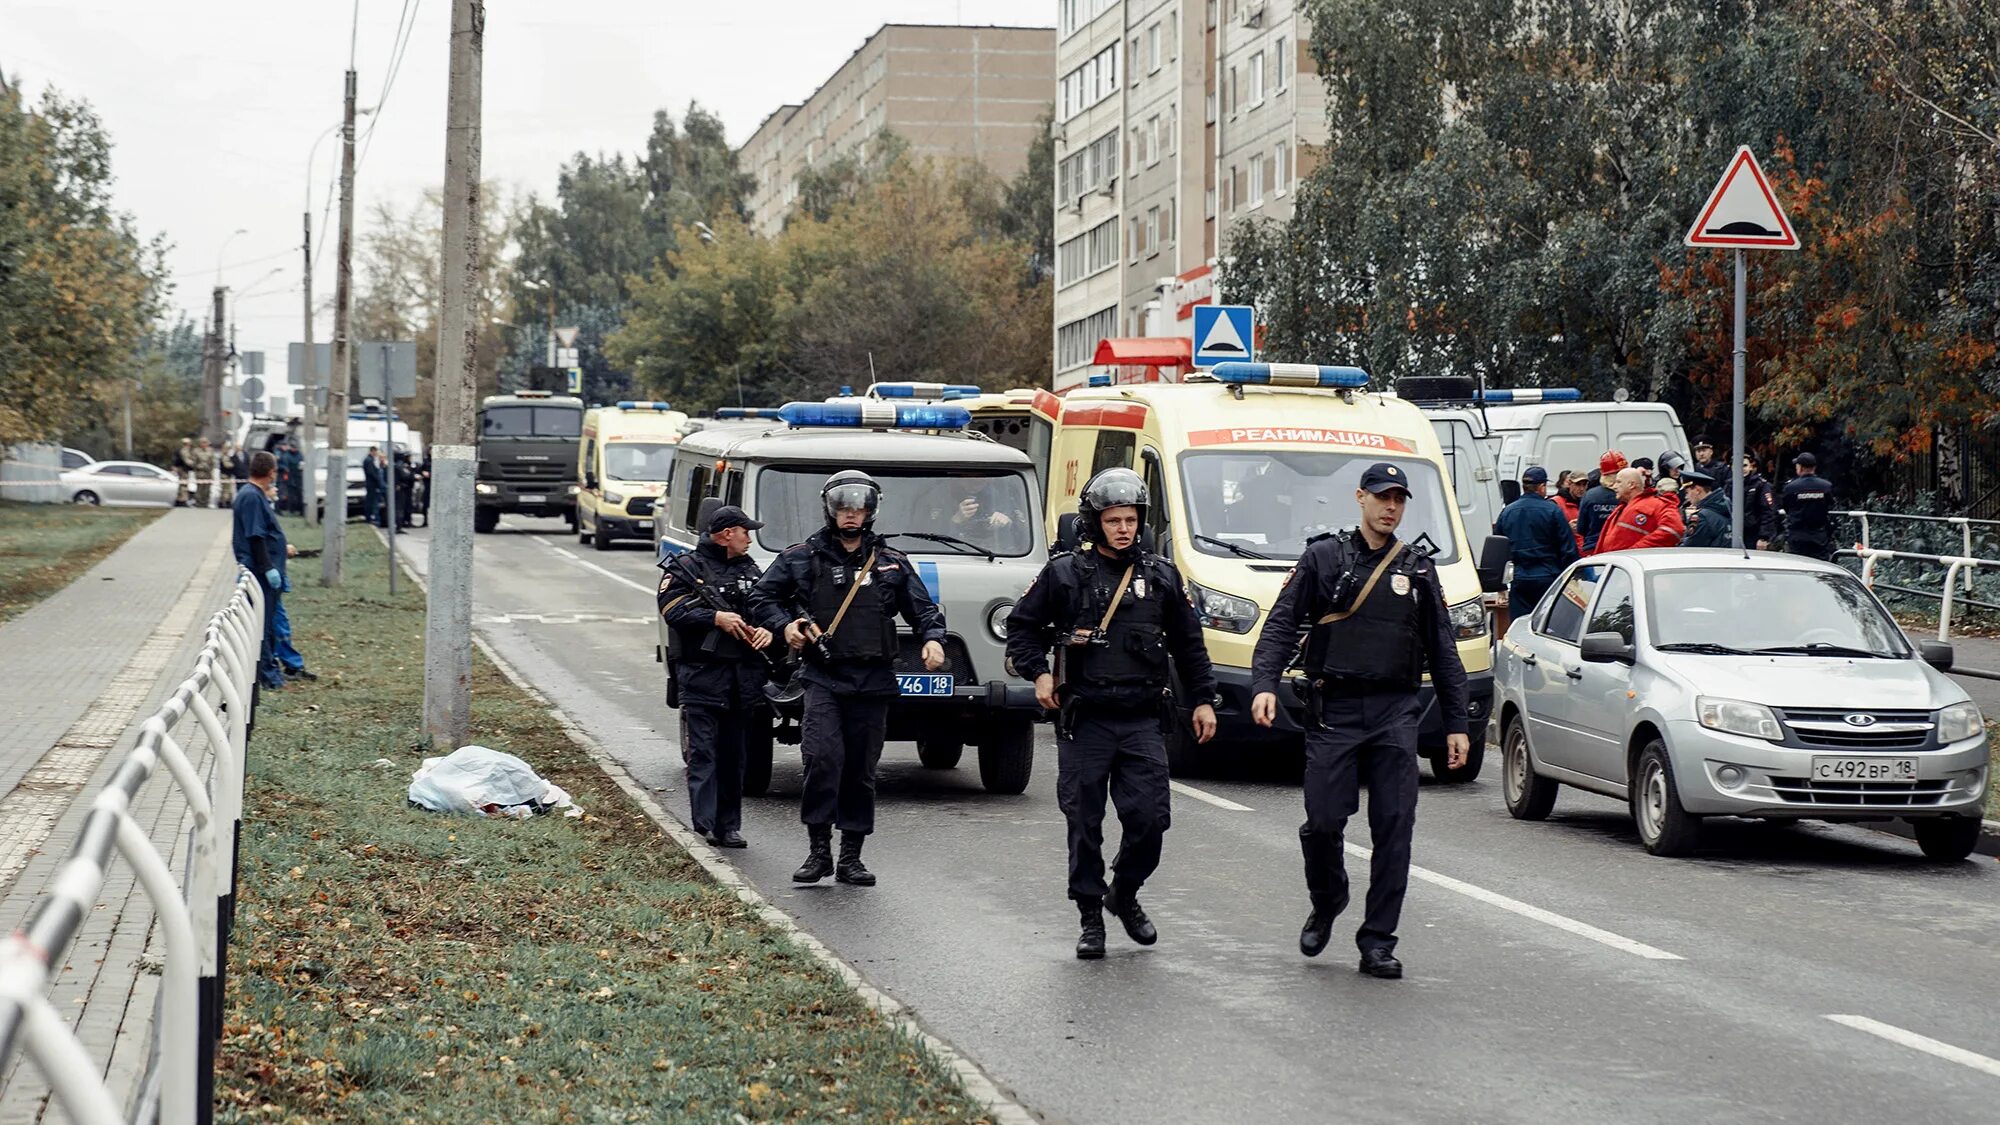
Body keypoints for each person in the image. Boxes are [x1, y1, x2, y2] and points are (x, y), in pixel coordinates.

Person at [1249, 462, 1471, 979]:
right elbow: (1282, 624)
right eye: (1381, 497)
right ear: (1360, 498)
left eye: (1399, 499)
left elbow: (1444, 651)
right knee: (1323, 822)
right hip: (1336, 710)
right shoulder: (1324, 557)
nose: (1391, 507)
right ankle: (1328, 899)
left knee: (1395, 827)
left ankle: (1377, 941)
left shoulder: (1417, 568)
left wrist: (1457, 722)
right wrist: (1263, 684)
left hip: (1395, 712)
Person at [1004, 468, 1219, 960]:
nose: (1123, 528)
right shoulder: (1063, 573)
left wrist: (1204, 699)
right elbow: (1021, 628)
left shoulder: (1161, 577)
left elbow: (1190, 646)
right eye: (1113, 519)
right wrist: (1038, 673)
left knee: (1150, 821)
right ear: (1094, 522)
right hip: (1085, 720)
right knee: (1084, 822)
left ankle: (1123, 892)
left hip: (1142, 718)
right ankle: (1089, 917)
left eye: (1131, 519)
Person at [751, 470, 948, 888]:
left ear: (871, 511)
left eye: (859, 508)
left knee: (860, 769)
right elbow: (761, 596)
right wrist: (785, 625)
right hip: (824, 678)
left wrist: (933, 641)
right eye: (844, 508)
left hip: (873, 681)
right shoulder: (802, 557)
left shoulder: (891, 562)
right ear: (831, 510)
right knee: (822, 760)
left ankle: (851, 857)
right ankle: (818, 850)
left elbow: (924, 611)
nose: (851, 516)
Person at [660, 505, 775, 849]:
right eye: (745, 532)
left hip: (742, 679)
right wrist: (714, 619)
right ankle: (705, 823)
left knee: (734, 755)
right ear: (727, 534)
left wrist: (769, 629)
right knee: (704, 753)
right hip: (702, 677)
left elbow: (769, 606)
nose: (750, 539)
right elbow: (671, 608)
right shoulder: (687, 567)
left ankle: (729, 826)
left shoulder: (751, 571)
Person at [231, 451, 296, 691]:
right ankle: (268, 676)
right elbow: (256, 536)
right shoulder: (251, 497)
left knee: (267, 624)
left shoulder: (254, 495)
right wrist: (268, 567)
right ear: (271, 472)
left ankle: (270, 673)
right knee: (264, 626)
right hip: (260, 573)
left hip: (263, 571)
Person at [1492, 466, 1579, 617]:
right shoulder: (1552, 511)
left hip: (1520, 579)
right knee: (1548, 624)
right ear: (1541, 487)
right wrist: (1573, 577)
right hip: (1549, 577)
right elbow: (1568, 548)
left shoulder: (1508, 512)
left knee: (1520, 625)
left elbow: (1498, 549)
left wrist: (1500, 585)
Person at [1593, 467, 1686, 552]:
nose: (1614, 486)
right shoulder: (1621, 509)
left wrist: (1635, 552)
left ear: (1631, 485)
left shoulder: (1657, 504)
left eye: (1618, 482)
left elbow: (1673, 530)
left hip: (1633, 565)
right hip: (1617, 565)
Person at [1779, 452, 1835, 560]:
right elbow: (1830, 505)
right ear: (1814, 467)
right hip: (1819, 535)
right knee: (1820, 567)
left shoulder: (1791, 487)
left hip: (1797, 535)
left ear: (1800, 467)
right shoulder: (1825, 486)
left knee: (1798, 567)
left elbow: (1786, 507)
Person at [1576, 451, 1626, 552]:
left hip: (1592, 549)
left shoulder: (1590, 495)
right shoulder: (1627, 495)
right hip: (1619, 549)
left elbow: (1581, 528)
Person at [1680, 470, 1732, 548]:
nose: (1686, 497)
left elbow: (1691, 547)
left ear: (1697, 490)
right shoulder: (1725, 505)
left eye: (1687, 492)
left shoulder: (1701, 517)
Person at [1739, 454, 1778, 549]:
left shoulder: (1761, 485)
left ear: (1751, 466)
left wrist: (1763, 537)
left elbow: (1768, 512)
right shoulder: (1729, 485)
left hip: (1753, 534)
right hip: (1734, 533)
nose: (1741, 469)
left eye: (1744, 465)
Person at [361, 446, 386, 527]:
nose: (376, 454)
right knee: (372, 502)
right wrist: (379, 481)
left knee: (372, 501)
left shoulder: (369, 460)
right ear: (372, 451)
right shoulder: (369, 460)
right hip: (372, 485)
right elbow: (372, 473)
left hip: (371, 484)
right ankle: (369, 518)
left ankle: (369, 517)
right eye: (375, 452)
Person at [172, 438, 194, 507]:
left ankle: (180, 500)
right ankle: (182, 500)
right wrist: (195, 464)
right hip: (183, 470)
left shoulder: (181, 450)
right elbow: (187, 461)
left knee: (182, 485)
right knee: (184, 485)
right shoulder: (184, 450)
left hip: (182, 469)